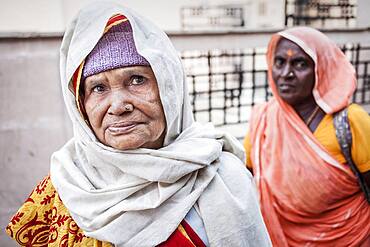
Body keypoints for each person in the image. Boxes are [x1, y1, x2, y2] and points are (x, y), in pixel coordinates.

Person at [6, 2, 272, 247]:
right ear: (81, 106)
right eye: (98, 87)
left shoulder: (223, 178)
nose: (119, 105)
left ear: (170, 88)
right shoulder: (66, 186)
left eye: (136, 80)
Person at [243, 26, 370, 246]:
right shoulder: (263, 119)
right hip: (281, 238)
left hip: (350, 237)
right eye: (280, 62)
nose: (286, 74)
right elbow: (244, 177)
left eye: (299, 64)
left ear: (322, 68)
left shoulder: (350, 121)